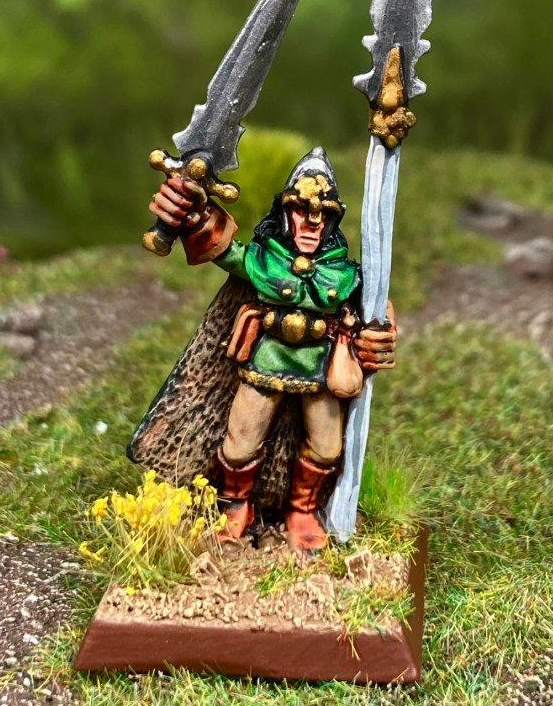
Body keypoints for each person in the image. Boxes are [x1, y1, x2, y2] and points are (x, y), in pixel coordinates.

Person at [148, 147, 397, 552]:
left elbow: (376, 307)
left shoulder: (345, 274)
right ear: (285, 213)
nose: (312, 223)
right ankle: (236, 507)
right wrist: (190, 210)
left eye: (322, 214)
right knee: (240, 443)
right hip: (264, 364)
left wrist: (379, 334)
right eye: (302, 210)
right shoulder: (265, 260)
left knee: (328, 448)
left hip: (320, 370)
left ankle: (302, 510)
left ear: (332, 221)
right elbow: (222, 248)